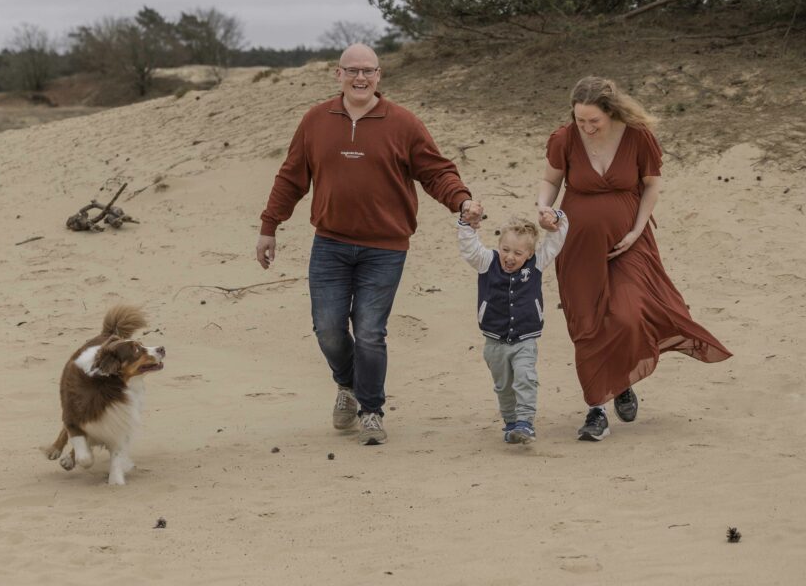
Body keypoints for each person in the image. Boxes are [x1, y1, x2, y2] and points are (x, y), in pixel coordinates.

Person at [255, 43, 483, 446]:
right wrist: (269, 225)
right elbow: (292, 178)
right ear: (337, 74)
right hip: (330, 244)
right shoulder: (315, 120)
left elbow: (436, 171)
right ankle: (346, 385)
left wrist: (461, 200)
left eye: (368, 71)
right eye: (352, 70)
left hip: (386, 247)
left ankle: (372, 410)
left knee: (370, 331)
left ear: (379, 76)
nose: (360, 78)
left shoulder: (403, 123)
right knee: (327, 328)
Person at [537, 76, 732, 441]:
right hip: (577, 246)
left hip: (630, 243)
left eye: (594, 121)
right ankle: (596, 409)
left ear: (611, 112)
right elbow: (551, 181)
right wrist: (542, 209)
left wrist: (636, 231)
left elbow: (652, 185)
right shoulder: (565, 138)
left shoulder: (638, 136)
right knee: (587, 323)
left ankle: (622, 378)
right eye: (581, 121)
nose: (587, 128)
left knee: (628, 315)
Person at [457, 212, 568, 444]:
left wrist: (557, 218)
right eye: (506, 250)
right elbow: (470, 248)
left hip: (525, 338)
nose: (510, 257)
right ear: (499, 246)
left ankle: (525, 422)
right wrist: (466, 225)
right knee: (503, 386)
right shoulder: (487, 261)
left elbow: (556, 240)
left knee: (525, 378)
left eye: (518, 253)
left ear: (529, 254)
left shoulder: (536, 263)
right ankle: (510, 423)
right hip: (494, 340)